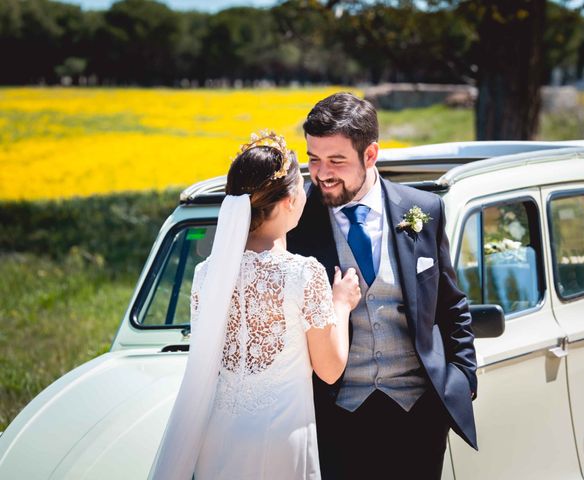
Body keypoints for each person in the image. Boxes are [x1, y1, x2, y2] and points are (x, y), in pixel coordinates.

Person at [149, 131, 361, 480]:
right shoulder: (303, 273)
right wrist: (341, 304)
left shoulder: (206, 274)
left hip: (218, 435)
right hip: (279, 438)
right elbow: (330, 368)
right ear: (290, 199)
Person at [288, 93, 478, 480]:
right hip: (335, 416)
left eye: (336, 160)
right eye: (313, 158)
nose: (321, 173)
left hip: (419, 415)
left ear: (370, 155)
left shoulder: (425, 210)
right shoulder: (296, 222)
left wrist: (463, 376)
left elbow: (451, 304)